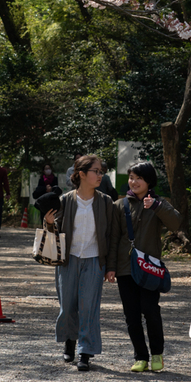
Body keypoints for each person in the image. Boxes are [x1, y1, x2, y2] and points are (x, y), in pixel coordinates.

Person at [43, 153, 123, 370]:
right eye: (96, 171)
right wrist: (49, 223)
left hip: (95, 260)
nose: (100, 175)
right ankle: (70, 341)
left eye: (101, 172)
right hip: (68, 260)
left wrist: (111, 267)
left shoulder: (106, 202)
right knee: (67, 305)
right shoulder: (65, 200)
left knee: (89, 307)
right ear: (81, 174)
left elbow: (112, 237)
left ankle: (85, 351)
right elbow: (54, 232)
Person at [116, 162, 182, 372]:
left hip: (149, 269)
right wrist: (110, 267)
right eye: (131, 177)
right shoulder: (120, 205)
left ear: (149, 182)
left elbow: (177, 223)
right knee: (131, 315)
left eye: (139, 178)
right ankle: (140, 357)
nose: (134, 182)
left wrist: (156, 206)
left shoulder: (159, 203)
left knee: (151, 311)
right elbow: (113, 239)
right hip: (125, 268)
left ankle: (157, 354)